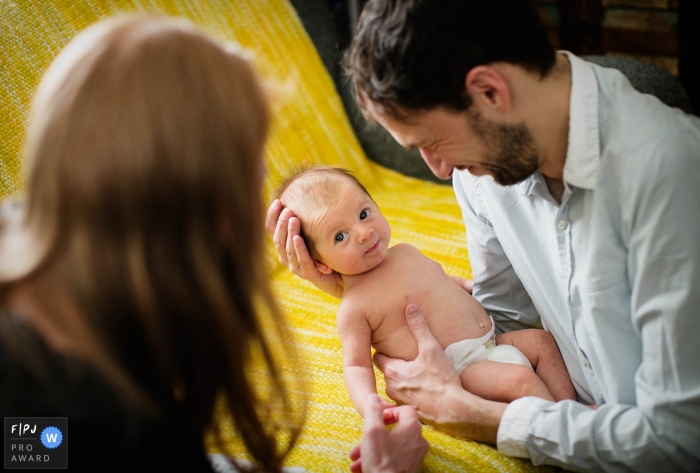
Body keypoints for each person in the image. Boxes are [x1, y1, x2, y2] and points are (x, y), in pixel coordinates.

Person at [267, 0, 700, 471]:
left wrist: (470, 414)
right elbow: (501, 318)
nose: (440, 169)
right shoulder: (478, 176)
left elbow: (678, 443)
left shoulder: (671, 173)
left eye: (432, 142)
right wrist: (359, 288)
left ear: (490, 91)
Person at [0, 15, 427, 472]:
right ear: (202, 206)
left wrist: (351, 287)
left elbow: (37, 455)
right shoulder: (109, 415)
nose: (261, 184)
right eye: (251, 169)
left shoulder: (36, 239)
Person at [273, 165, 576, 416]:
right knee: (520, 380)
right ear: (320, 264)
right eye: (340, 236)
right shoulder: (354, 308)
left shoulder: (404, 251)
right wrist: (368, 403)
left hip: (494, 342)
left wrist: (467, 287)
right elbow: (355, 364)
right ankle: (565, 433)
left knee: (541, 341)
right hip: (460, 369)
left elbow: (440, 280)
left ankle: (570, 406)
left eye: (364, 214)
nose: (364, 233)